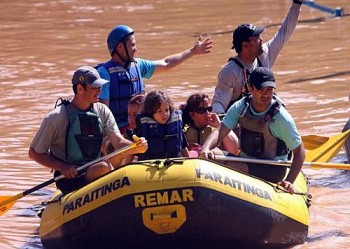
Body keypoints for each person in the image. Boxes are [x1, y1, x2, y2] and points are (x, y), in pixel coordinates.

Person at [29, 66, 148, 194]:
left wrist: (136, 146)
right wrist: (62, 167)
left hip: (95, 168)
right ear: (80, 89)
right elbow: (34, 153)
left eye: (100, 87)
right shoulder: (56, 117)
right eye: (95, 88)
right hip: (69, 178)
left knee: (120, 154)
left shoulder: (102, 110)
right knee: (104, 167)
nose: (100, 91)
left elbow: (118, 142)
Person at [200, 67, 305, 194]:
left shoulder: (281, 118)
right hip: (246, 159)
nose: (266, 94)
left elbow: (299, 152)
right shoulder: (241, 107)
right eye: (261, 90)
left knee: (236, 167)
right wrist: (205, 148)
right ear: (250, 88)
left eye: (270, 90)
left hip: (273, 167)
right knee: (213, 152)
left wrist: (289, 181)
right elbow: (220, 130)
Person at [97, 25, 213, 132]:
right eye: (132, 45)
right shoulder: (104, 73)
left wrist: (192, 52)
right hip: (119, 129)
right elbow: (104, 114)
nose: (136, 49)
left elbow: (166, 63)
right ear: (120, 47)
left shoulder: (138, 65)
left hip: (143, 124)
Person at [212, 0, 304, 114]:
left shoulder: (264, 54)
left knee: (278, 103)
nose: (262, 40)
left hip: (261, 114)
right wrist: (223, 126)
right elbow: (218, 104)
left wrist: (297, 4)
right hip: (238, 118)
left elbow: (284, 32)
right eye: (257, 39)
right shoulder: (230, 72)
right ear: (245, 46)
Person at [133, 90, 190, 160]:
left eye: (167, 110)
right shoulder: (142, 128)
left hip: (174, 165)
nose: (165, 114)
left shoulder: (176, 125)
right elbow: (132, 154)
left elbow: (183, 148)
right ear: (150, 112)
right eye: (159, 111)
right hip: (150, 166)